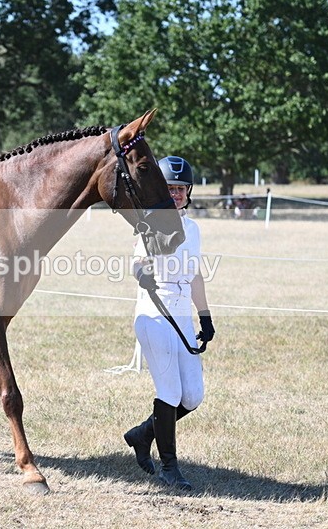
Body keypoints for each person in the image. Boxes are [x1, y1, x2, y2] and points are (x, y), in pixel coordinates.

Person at [123, 155, 215, 491]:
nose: (176, 193)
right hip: (154, 310)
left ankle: (142, 434)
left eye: (181, 188)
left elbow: (195, 275)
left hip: (181, 314)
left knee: (192, 396)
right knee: (170, 392)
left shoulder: (193, 229)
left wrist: (204, 316)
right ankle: (169, 468)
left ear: (189, 191)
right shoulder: (149, 222)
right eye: (170, 187)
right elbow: (137, 262)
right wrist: (142, 272)